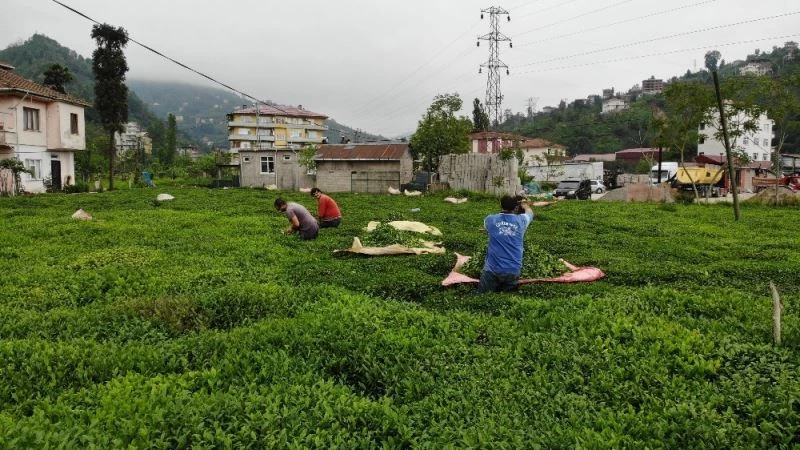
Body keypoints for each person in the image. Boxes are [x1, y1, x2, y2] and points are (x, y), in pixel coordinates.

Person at [477, 195, 534, 293]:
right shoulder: (522, 220)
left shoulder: (490, 219)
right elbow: (530, 213)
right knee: (507, 300)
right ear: (516, 207)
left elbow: (490, 229)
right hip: (513, 269)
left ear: (500, 205)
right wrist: (525, 205)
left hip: (491, 269)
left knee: (482, 297)